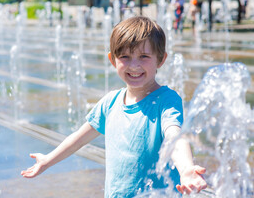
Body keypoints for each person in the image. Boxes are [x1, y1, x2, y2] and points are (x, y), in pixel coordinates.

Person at [21, 16, 207, 197]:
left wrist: (185, 169)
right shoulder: (110, 103)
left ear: (161, 59)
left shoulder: (166, 100)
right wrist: (47, 160)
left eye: (144, 56)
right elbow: (77, 139)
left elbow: (174, 137)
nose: (134, 65)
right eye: (125, 56)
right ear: (112, 60)